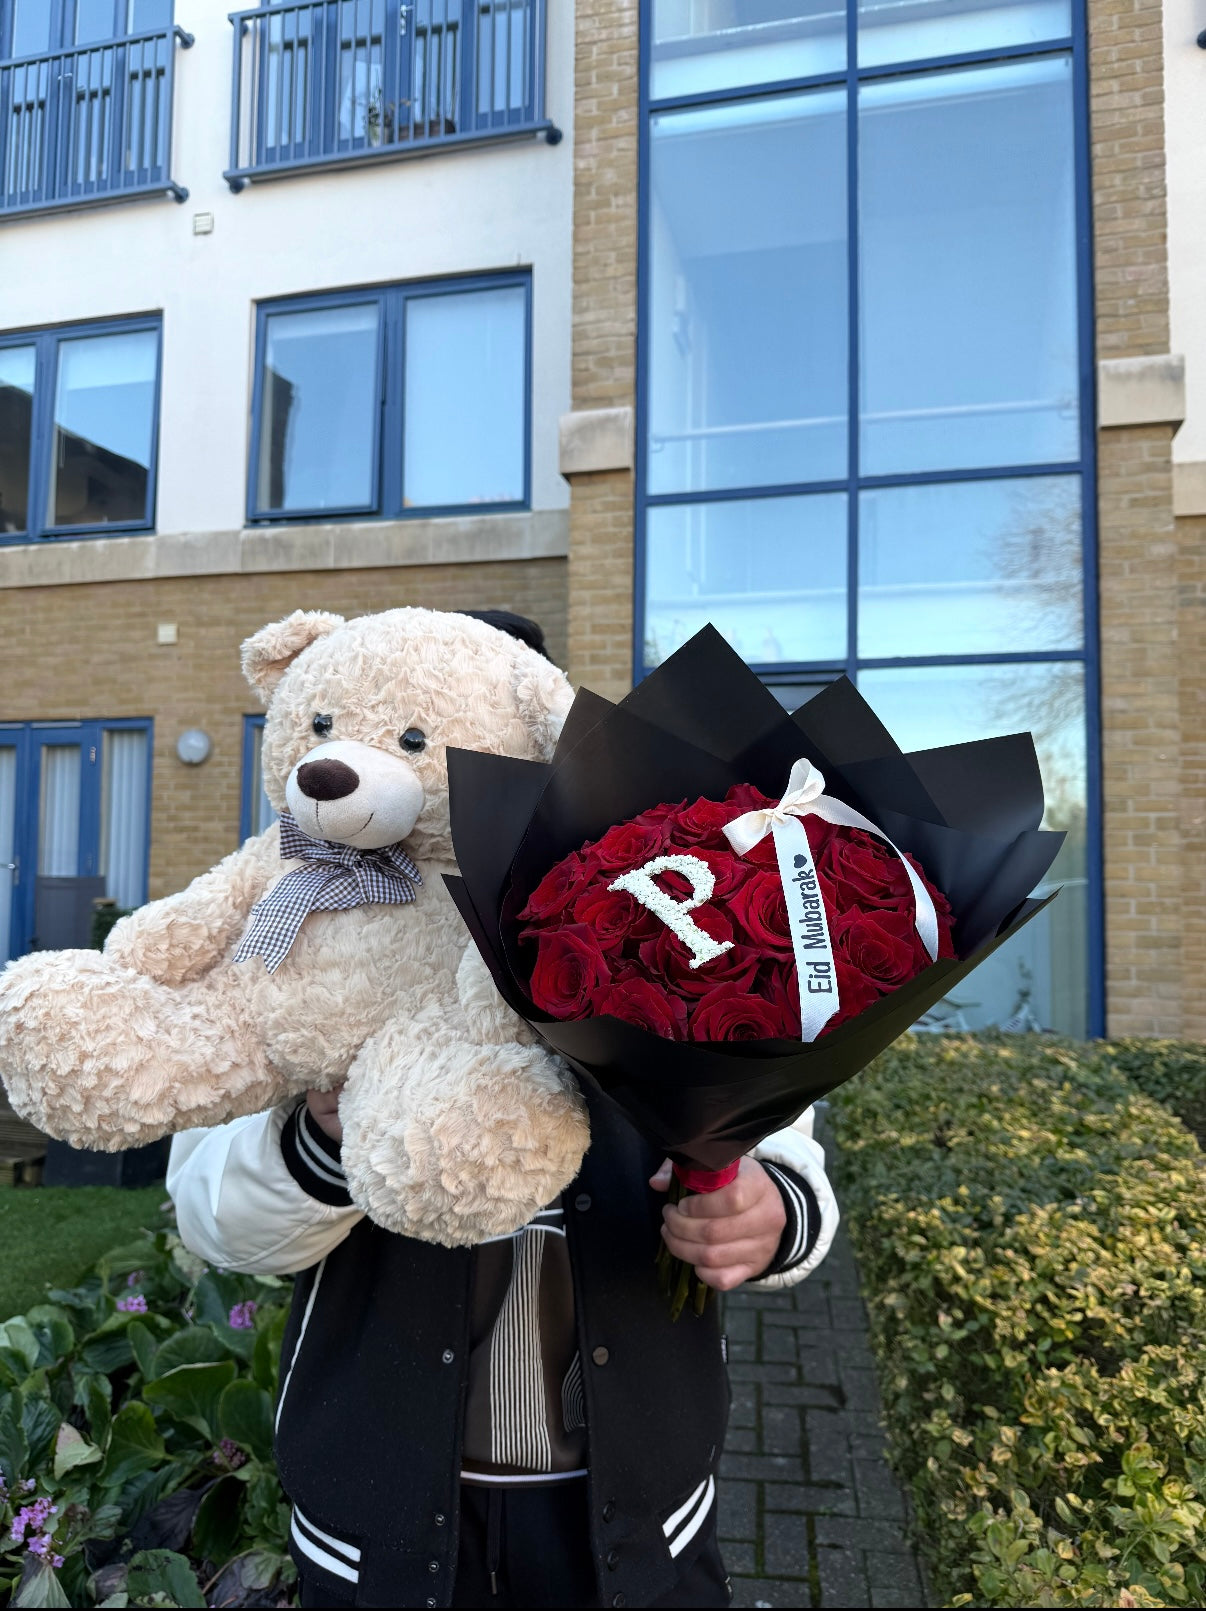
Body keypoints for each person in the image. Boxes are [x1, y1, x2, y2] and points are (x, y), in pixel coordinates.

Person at [166, 612, 839, 1609]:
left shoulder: (665, 903)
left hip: (643, 1526)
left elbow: (784, 1140)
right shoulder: (292, 926)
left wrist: (774, 1212)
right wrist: (321, 1137)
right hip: (379, 1530)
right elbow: (214, 1220)